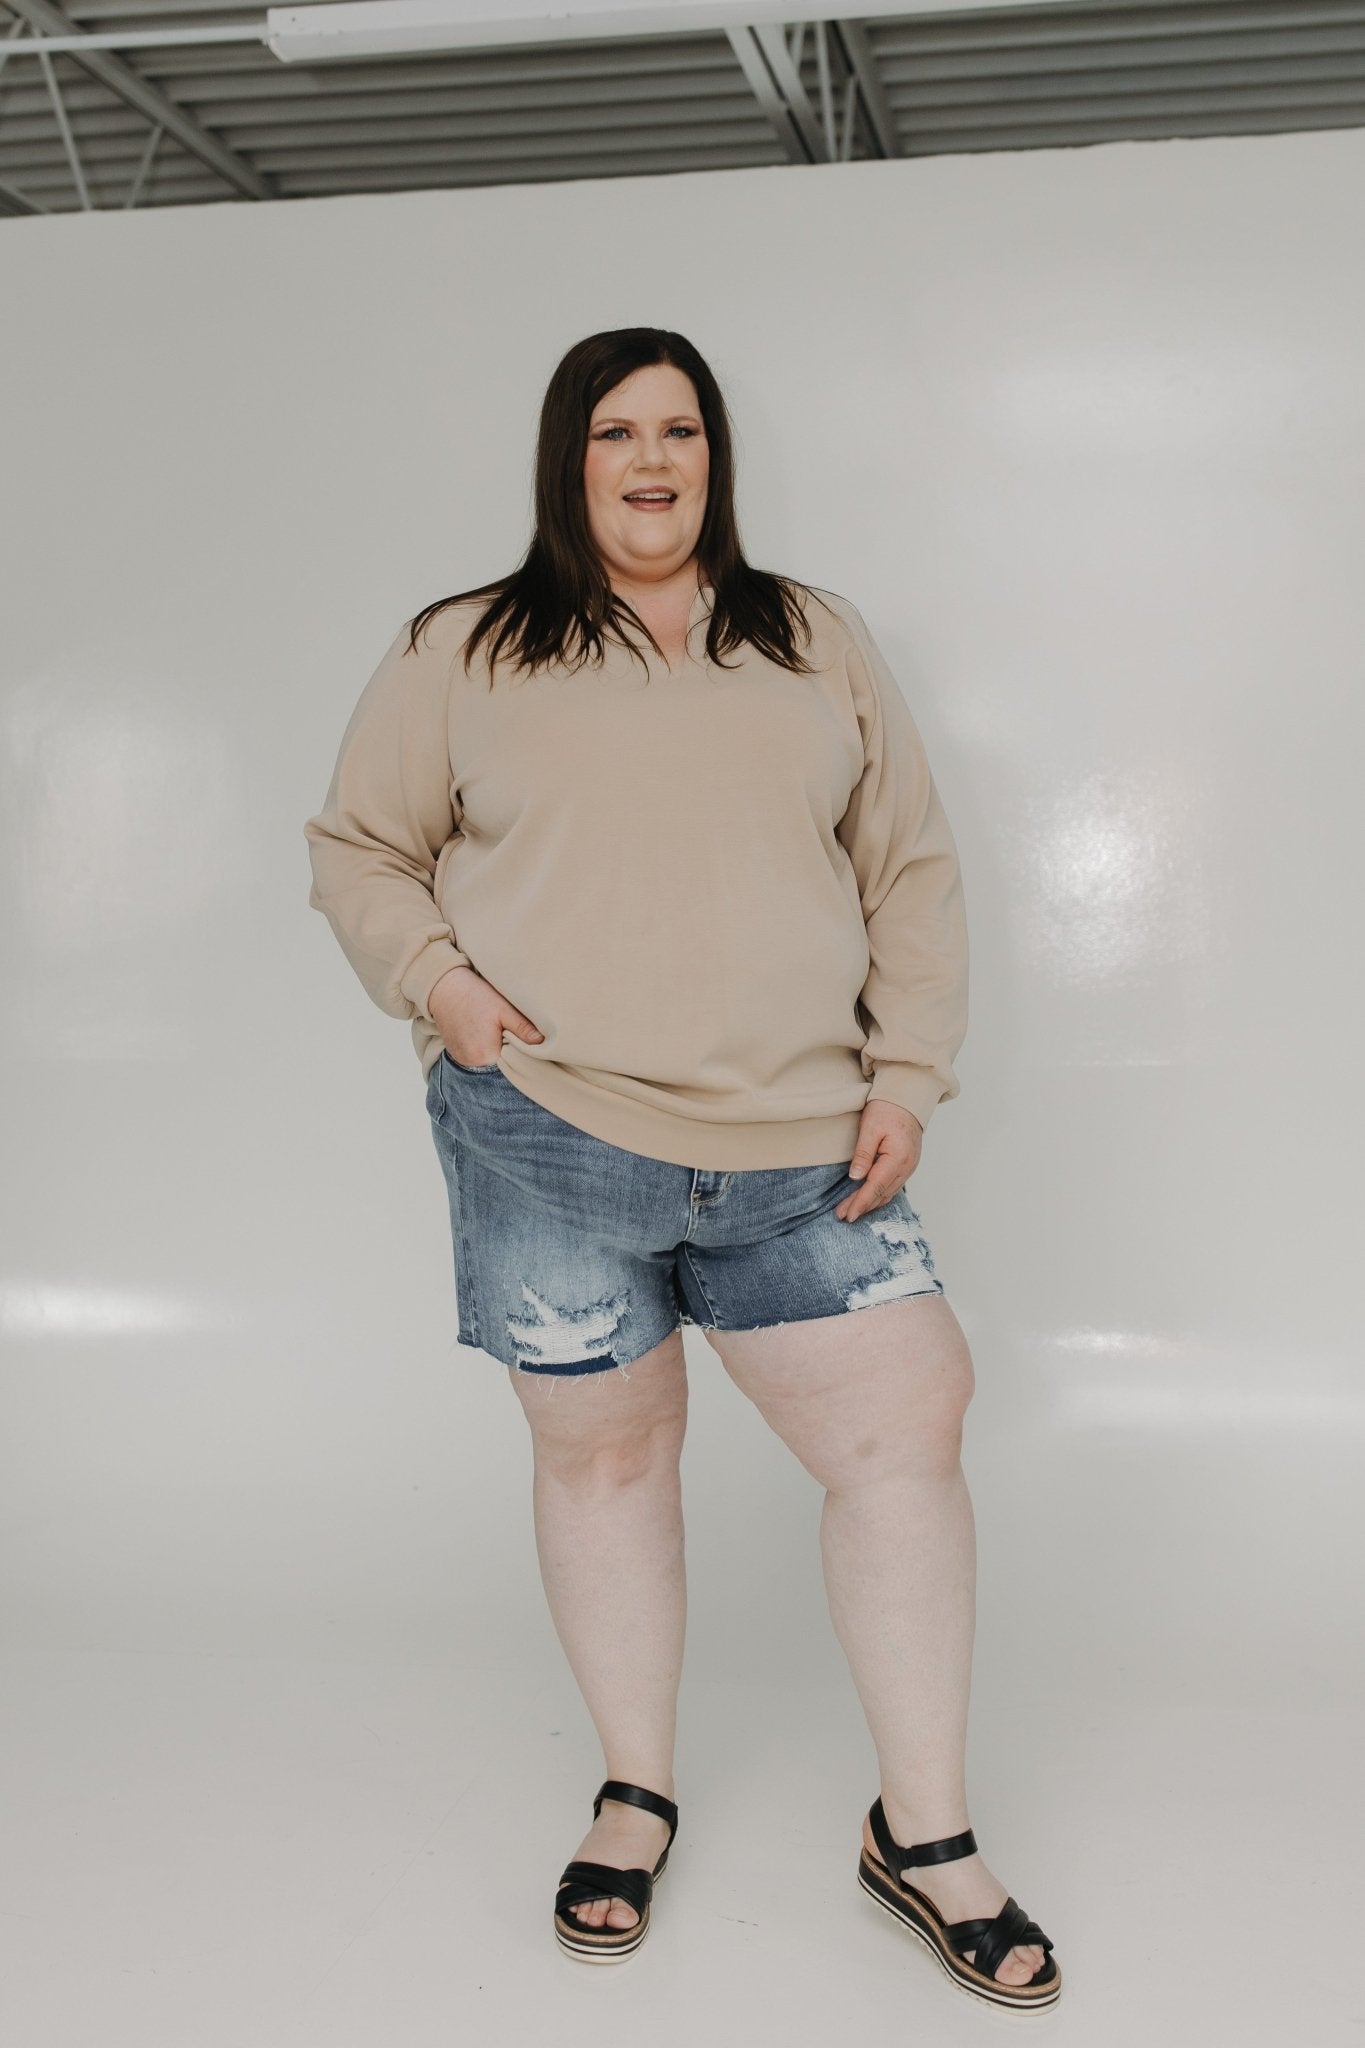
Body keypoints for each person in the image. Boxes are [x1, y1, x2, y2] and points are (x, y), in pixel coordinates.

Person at [302, 328, 1060, 2010]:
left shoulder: (811, 637)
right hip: (545, 1136)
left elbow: (907, 867)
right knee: (606, 1465)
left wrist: (906, 1073)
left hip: (804, 1149)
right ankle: (633, 1793)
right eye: (615, 432)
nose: (652, 460)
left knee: (904, 1437)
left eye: (681, 431)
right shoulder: (462, 647)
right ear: (566, 460)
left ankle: (923, 1832)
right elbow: (359, 849)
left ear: (715, 457)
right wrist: (445, 990)